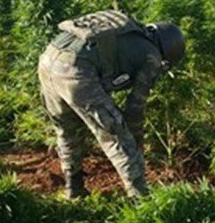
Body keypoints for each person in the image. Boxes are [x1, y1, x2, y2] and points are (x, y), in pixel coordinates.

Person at [37, 10, 184, 198]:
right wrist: (135, 142)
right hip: (75, 69)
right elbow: (135, 108)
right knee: (116, 134)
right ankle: (140, 199)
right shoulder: (152, 56)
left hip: (48, 59)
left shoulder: (131, 31)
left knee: (67, 128)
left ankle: (73, 189)